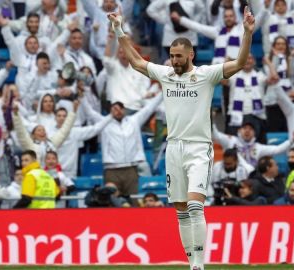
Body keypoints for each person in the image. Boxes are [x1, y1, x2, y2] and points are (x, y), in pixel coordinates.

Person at [108, 5, 255, 270]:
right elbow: (137, 61)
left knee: (196, 206)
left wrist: (247, 33)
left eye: (178, 56)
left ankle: (199, 264)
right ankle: (191, 264)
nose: (174, 60)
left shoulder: (206, 75)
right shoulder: (165, 75)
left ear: (191, 54)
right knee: (180, 211)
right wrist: (119, 29)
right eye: (172, 56)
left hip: (199, 148)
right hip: (173, 149)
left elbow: (240, 63)